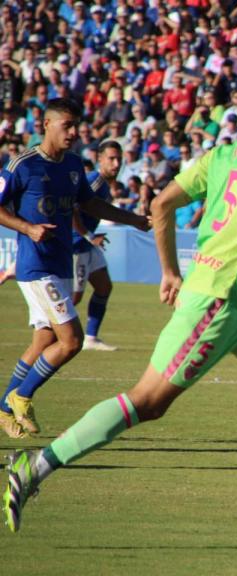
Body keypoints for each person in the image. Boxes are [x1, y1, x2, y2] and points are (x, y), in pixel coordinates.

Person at [3, 70, 237, 535]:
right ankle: (32, 467)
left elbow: (161, 205)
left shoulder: (223, 153)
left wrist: (170, 271)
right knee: (147, 402)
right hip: (217, 304)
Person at [0, 99, 150, 440]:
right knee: (72, 341)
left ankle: (4, 409)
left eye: (76, 126)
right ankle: (20, 396)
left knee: (45, 340)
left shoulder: (72, 165)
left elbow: (90, 203)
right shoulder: (22, 165)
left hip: (60, 263)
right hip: (36, 266)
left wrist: (134, 220)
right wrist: (28, 228)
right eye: (67, 125)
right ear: (46, 125)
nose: (74, 132)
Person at [70, 140, 124, 351]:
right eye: (111, 158)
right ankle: (46, 330)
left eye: (119, 158)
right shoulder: (94, 180)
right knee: (73, 299)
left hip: (87, 243)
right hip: (77, 244)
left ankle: (90, 338)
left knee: (104, 287)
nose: (116, 163)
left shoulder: (104, 184)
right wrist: (89, 235)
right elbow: (72, 208)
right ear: (99, 159)